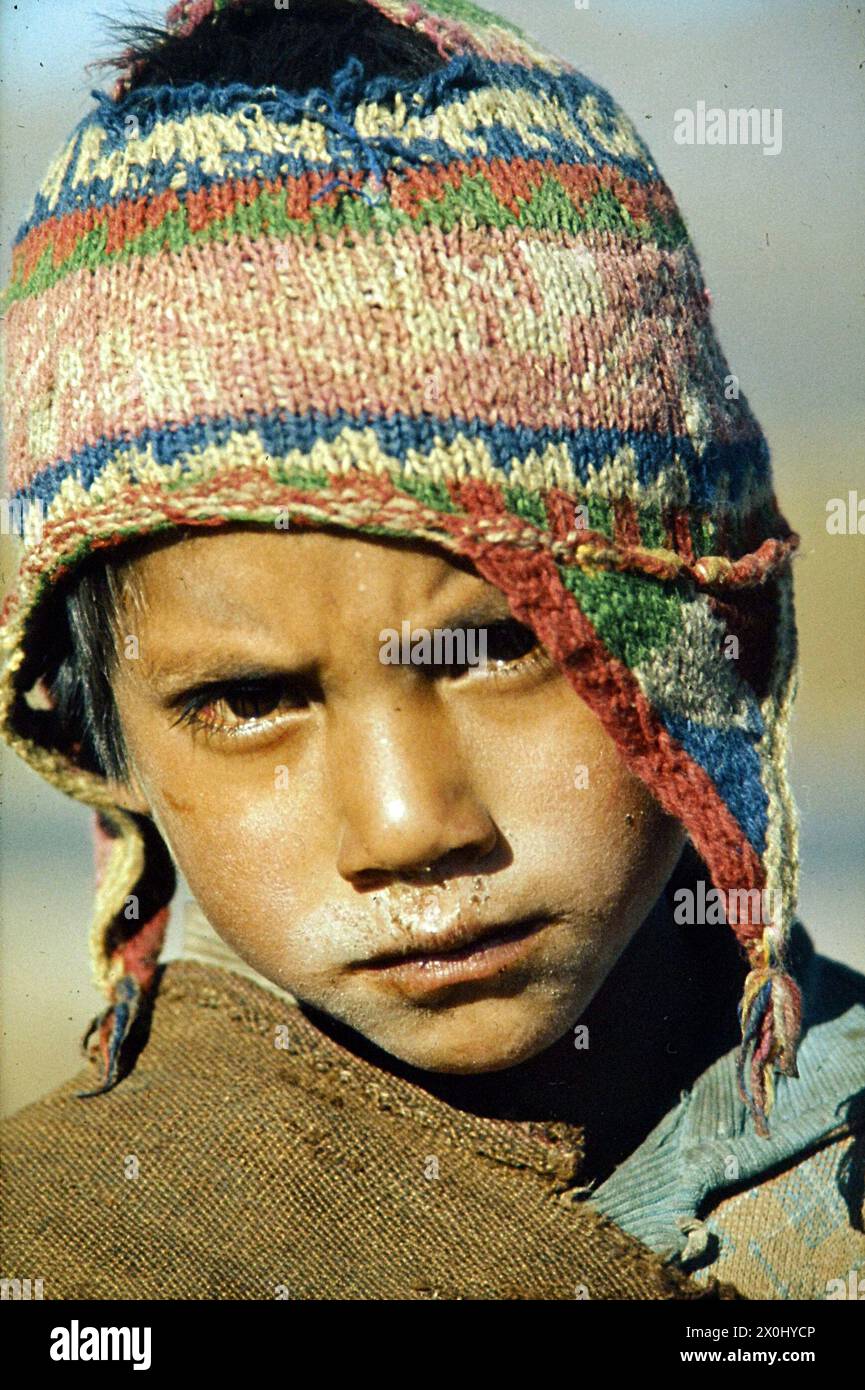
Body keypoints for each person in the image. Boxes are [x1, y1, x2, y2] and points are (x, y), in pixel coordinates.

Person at [1, 0, 862, 1301]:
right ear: (91, 731)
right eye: (245, 699)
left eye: (501, 647)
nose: (409, 825)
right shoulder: (65, 1261)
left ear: (710, 620)